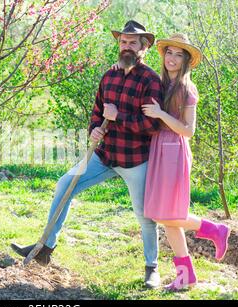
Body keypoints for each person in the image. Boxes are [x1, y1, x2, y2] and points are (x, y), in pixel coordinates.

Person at [12, 20, 164, 289]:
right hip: (103, 155)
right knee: (64, 186)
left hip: (134, 159)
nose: (126, 46)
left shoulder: (150, 80)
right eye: (122, 42)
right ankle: (45, 248)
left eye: (132, 42)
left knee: (145, 216)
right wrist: (94, 130)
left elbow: (151, 125)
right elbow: (96, 113)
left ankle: (151, 267)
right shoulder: (109, 76)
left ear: (144, 47)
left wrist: (119, 118)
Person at [141, 33, 231, 291]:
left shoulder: (186, 89)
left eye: (178, 54)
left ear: (186, 61)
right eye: (169, 52)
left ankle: (213, 229)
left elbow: (188, 130)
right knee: (165, 217)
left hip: (174, 151)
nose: (171, 58)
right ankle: (186, 276)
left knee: (168, 214)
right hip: (159, 148)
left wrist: (159, 114)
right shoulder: (160, 83)